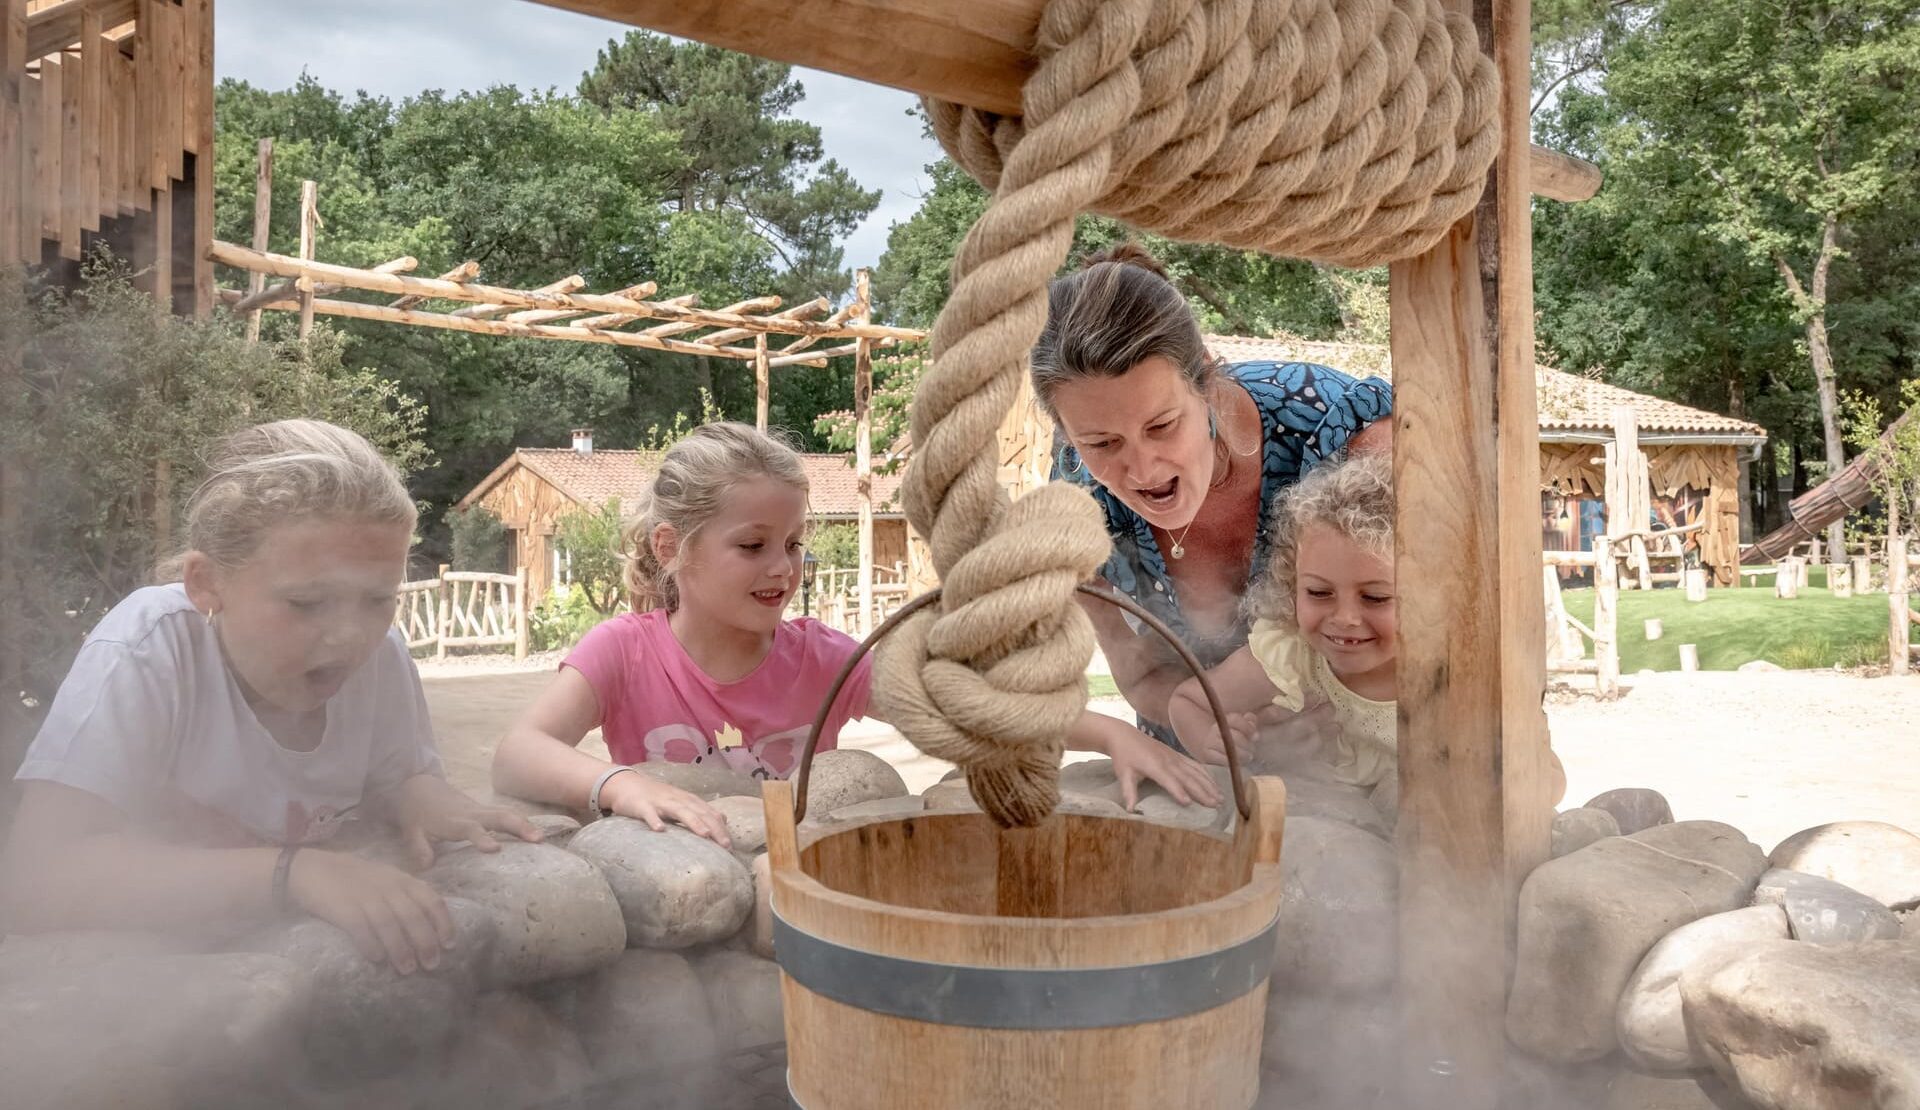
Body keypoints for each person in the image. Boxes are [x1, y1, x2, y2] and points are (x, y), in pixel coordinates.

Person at [2, 420, 539, 974]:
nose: (350, 635)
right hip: (152, 972)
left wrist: (422, 798)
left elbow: (398, 775)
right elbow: (38, 879)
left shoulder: (382, 655)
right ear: (206, 583)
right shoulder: (149, 649)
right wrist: (292, 873)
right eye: (307, 603)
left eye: (379, 599)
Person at [491, 423, 1218, 827]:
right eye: (752, 546)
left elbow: (971, 707)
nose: (782, 567)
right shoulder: (623, 651)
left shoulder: (828, 660)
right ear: (670, 548)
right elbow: (517, 752)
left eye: (795, 544)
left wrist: (1112, 732)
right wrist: (620, 787)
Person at [1037, 244, 1394, 759]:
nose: (1143, 470)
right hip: (1199, 770)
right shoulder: (1078, 506)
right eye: (1101, 443)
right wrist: (1220, 727)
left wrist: (1325, 707)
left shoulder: (1344, 435)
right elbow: (1140, 675)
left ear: (1205, 381)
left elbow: (1449, 630)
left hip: (1368, 779)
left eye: (1162, 426)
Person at [1166, 454, 1398, 802]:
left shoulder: (1454, 672)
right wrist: (1212, 740)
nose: (1345, 617)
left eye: (1375, 597)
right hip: (1309, 827)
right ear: (1292, 584)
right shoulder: (1293, 656)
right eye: (1319, 592)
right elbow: (1188, 702)